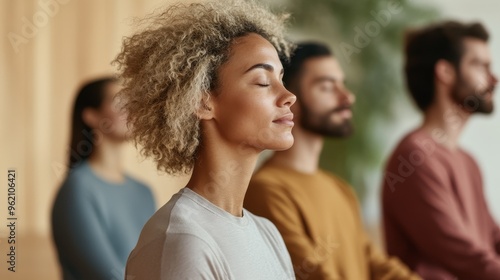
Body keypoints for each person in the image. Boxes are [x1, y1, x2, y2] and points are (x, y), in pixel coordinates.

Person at [113, 0, 297, 279]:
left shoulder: (268, 233)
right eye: (262, 81)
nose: (288, 96)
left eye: (282, 79)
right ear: (202, 102)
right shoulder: (183, 241)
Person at [244, 42, 421, 280]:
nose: (347, 96)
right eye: (327, 87)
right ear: (289, 98)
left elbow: (377, 265)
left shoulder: (340, 189)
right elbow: (315, 274)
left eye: (342, 84)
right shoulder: (267, 190)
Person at [382, 21, 500, 279]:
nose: (494, 79)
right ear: (445, 72)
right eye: (480, 65)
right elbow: (465, 255)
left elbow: (492, 238)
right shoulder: (414, 157)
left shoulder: (468, 162)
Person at [51, 77, 156, 280]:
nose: (131, 108)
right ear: (91, 116)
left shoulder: (144, 192)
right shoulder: (79, 188)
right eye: (118, 101)